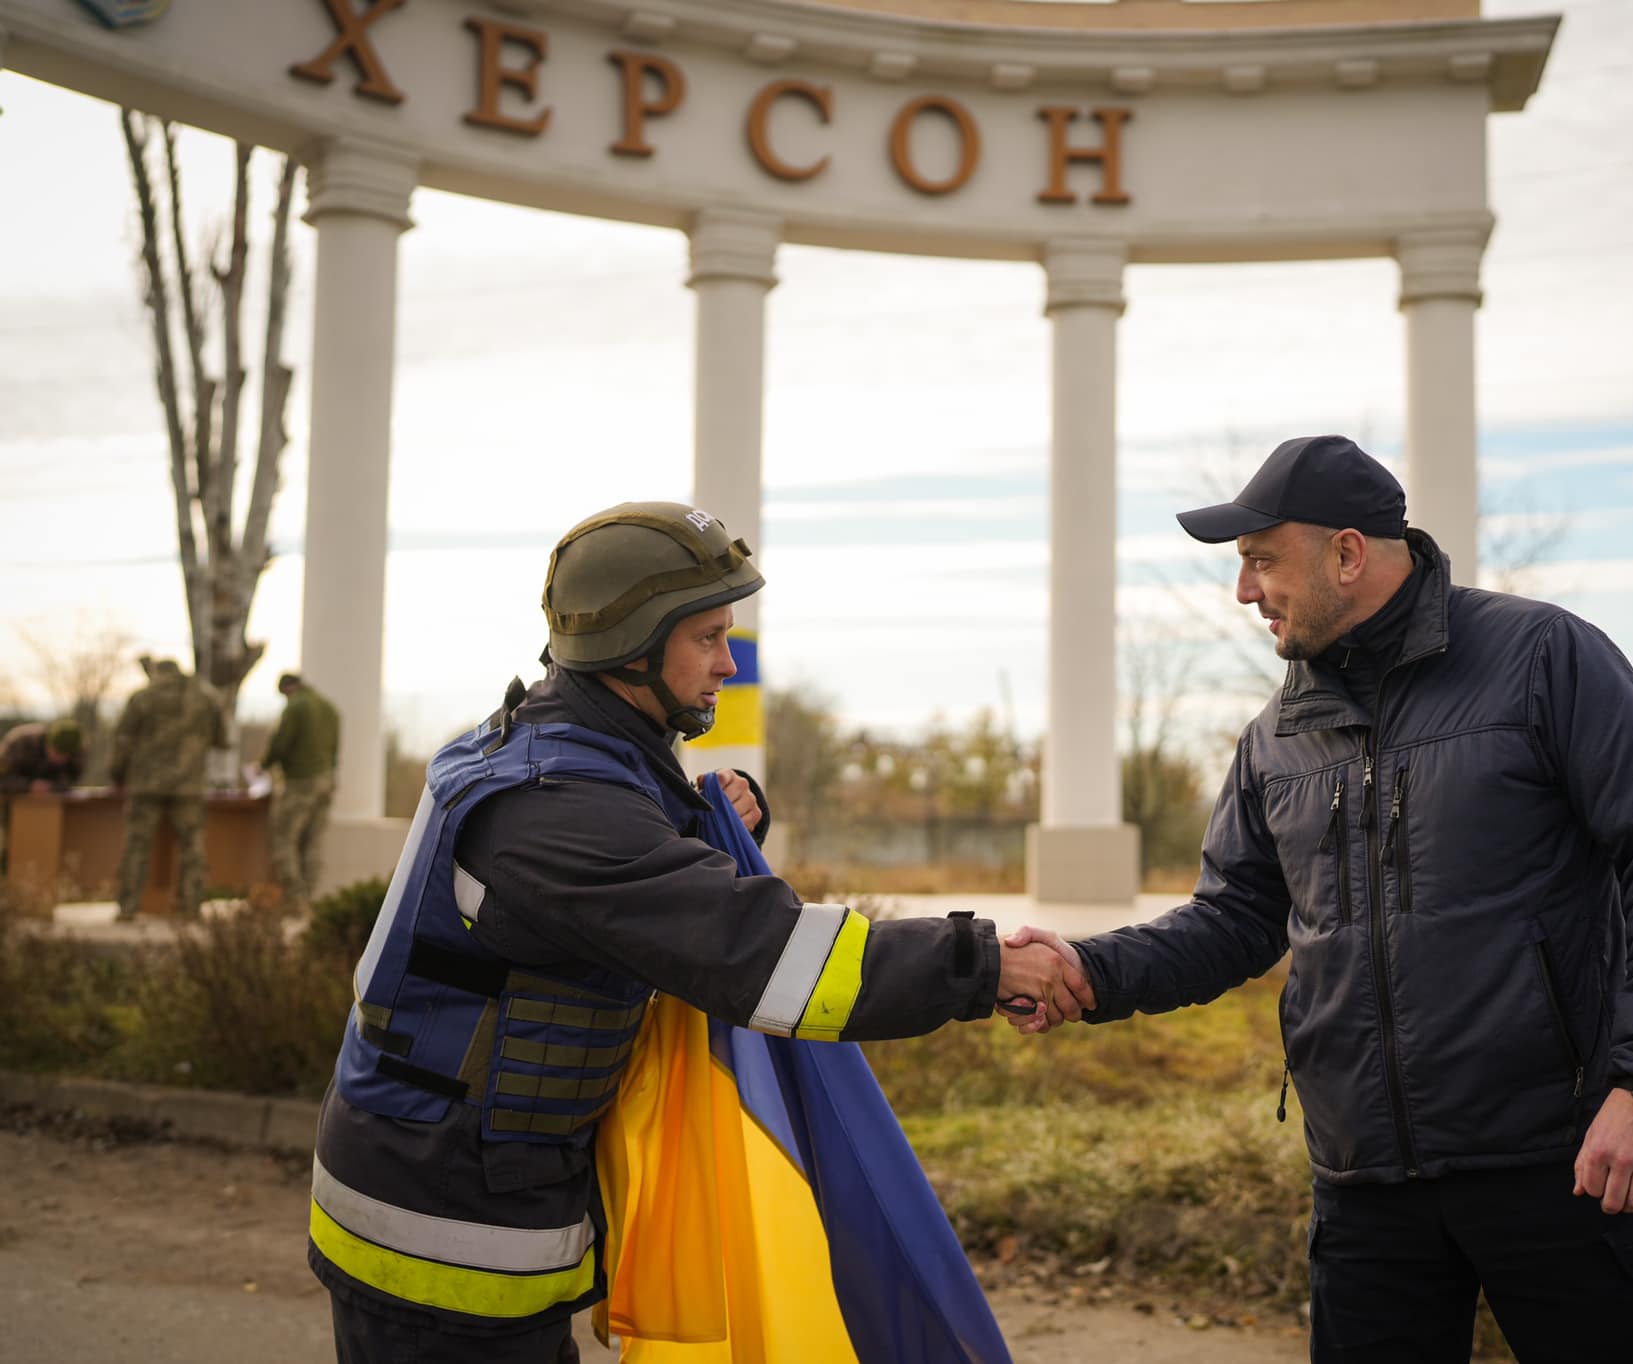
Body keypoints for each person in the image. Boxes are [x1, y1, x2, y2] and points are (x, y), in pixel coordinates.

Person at [1007, 435, 1633, 1364]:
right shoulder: (1276, 735)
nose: (1245, 592)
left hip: (1564, 1163)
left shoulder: (1543, 659)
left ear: (1348, 553)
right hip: (1364, 1185)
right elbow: (1236, 917)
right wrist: (1088, 967)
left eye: (1260, 561)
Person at [308, 501, 1092, 1364]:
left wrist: (713, 814)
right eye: (709, 637)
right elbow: (766, 955)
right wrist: (985, 964)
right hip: (441, 1232)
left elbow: (624, 855)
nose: (729, 661)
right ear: (629, 644)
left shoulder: (538, 744)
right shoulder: (559, 813)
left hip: (449, 1176)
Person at [109, 659, 227, 920]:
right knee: (192, 846)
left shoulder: (143, 698)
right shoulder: (204, 698)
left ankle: (127, 908)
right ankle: (191, 908)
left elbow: (123, 739)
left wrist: (116, 774)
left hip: (146, 784)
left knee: (137, 846)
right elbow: (222, 739)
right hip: (189, 785)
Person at [261, 671, 341, 912]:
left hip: (300, 782)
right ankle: (310, 899)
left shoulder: (296, 707)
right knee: (313, 842)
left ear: (286, 689)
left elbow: (280, 745)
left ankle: (295, 902)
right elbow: (335, 749)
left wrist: (262, 765)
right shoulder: (330, 708)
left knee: (284, 840)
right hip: (326, 781)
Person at [0, 717, 85, 871]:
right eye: (56, 752)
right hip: (13, 804)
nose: (60, 759)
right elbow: (3, 779)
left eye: (65, 756)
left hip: (49, 811)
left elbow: (71, 782)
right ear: (47, 742)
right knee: (10, 846)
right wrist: (28, 786)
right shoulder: (19, 743)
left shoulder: (77, 752)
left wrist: (53, 787)